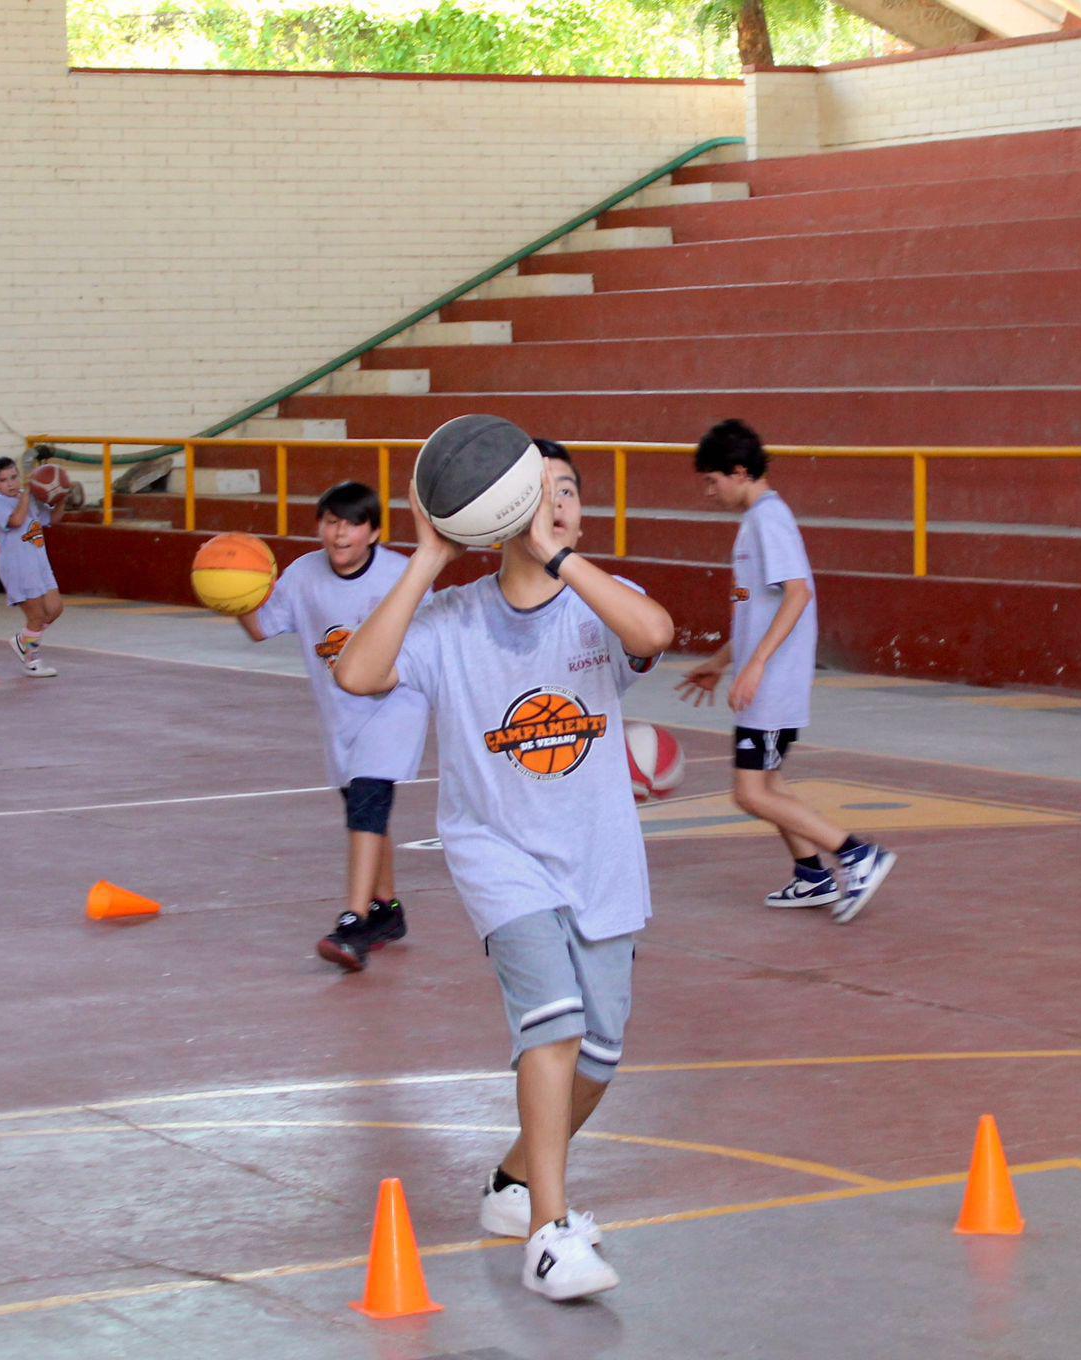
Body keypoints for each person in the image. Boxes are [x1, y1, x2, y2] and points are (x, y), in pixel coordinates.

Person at [336, 437, 674, 1301]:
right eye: (538, 494)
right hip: (499, 855)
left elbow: (655, 633)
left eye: (568, 493)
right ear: (501, 511)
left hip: (599, 859)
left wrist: (561, 555)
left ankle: (516, 1182)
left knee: (598, 1054)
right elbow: (358, 670)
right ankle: (549, 1236)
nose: (555, 505)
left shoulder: (605, 605)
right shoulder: (452, 623)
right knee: (553, 1026)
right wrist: (428, 558)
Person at [676, 419, 895, 920]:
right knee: (770, 787)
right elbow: (763, 610)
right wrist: (721, 661)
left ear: (739, 471)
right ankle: (812, 876)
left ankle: (857, 854)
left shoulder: (768, 520)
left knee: (749, 793)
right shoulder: (757, 522)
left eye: (712, 481)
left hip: (772, 687)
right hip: (766, 683)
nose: (708, 493)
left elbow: (797, 594)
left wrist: (754, 667)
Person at [239, 481, 430, 972]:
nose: (339, 532)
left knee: (368, 799)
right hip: (340, 715)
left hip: (394, 707)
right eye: (330, 521)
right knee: (365, 812)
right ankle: (388, 910)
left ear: (375, 532)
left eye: (351, 523)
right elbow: (262, 626)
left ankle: (353, 921)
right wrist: (233, 597)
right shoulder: (303, 575)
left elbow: (434, 639)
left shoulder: (400, 575)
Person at [0, 455, 64, 678]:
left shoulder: (29, 498)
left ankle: (23, 640)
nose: (11, 483)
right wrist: (29, 492)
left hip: (39, 563)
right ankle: (32, 661)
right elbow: (16, 521)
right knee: (37, 616)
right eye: (3, 480)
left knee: (55, 608)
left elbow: (53, 519)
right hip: (17, 567)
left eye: (14, 477)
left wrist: (62, 496)